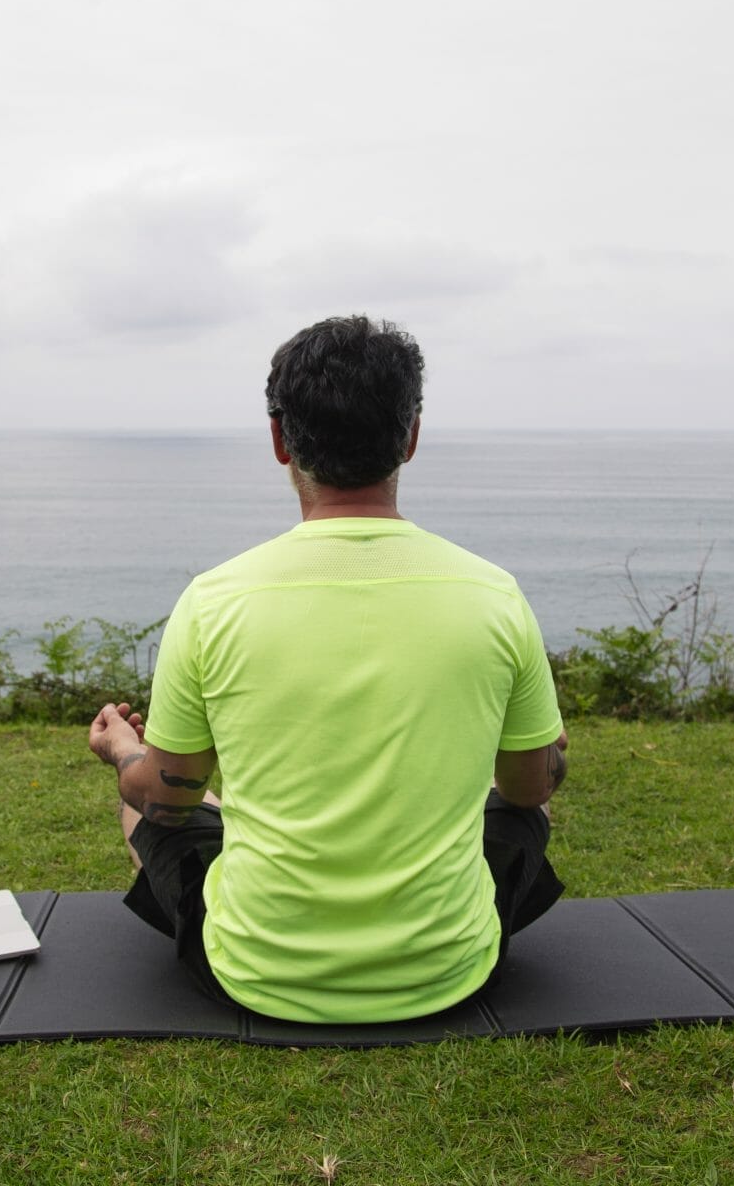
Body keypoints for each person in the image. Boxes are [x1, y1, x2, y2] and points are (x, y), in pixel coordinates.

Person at [86, 315, 569, 1024]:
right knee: (527, 797)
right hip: (451, 971)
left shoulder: (215, 599)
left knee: (146, 800)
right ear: (410, 435)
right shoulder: (493, 593)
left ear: (281, 441)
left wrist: (122, 751)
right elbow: (528, 792)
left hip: (256, 972)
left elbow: (169, 800)